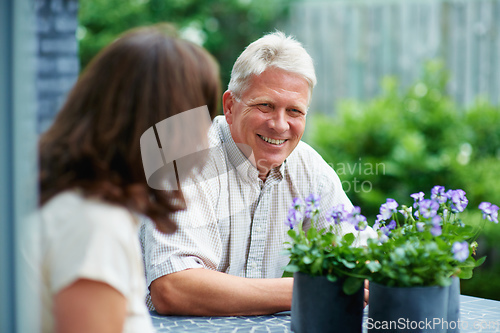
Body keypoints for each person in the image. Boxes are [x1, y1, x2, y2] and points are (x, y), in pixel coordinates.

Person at [140, 31, 376, 316]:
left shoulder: (309, 168)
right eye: (265, 105)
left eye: (294, 111)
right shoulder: (185, 157)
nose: (280, 125)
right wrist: (310, 290)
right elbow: (174, 287)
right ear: (229, 106)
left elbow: (362, 253)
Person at [33, 24, 220, 332]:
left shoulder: (79, 202)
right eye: (201, 117)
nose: (206, 135)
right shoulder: (96, 227)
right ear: (170, 128)